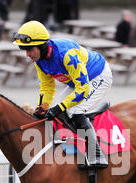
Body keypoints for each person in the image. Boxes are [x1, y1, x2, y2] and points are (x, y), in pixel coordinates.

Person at [12, 20, 112, 169]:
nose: (27, 54)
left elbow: (82, 89)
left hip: (98, 76)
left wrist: (60, 107)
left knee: (74, 110)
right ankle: (71, 146)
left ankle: (97, 155)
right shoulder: (39, 60)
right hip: (78, 82)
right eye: (24, 49)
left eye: (29, 49)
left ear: (42, 46)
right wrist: (43, 107)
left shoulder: (67, 54)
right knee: (58, 110)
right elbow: (47, 87)